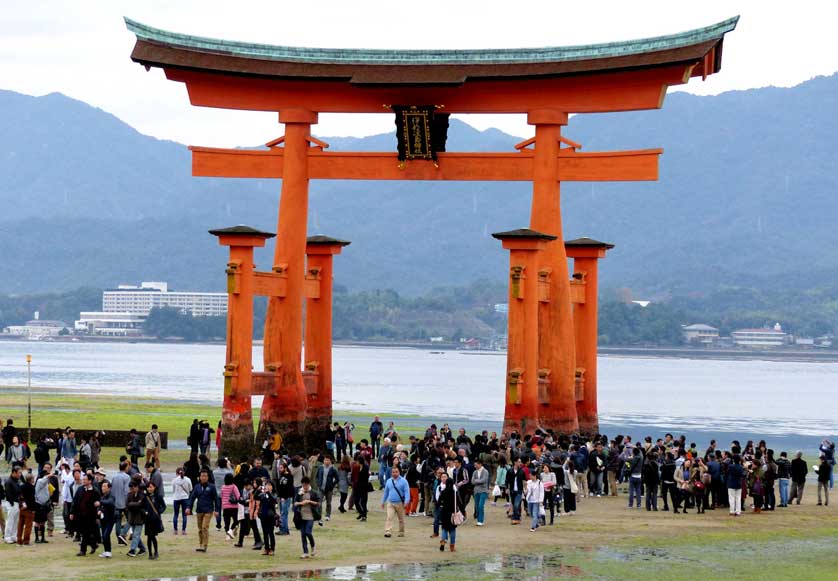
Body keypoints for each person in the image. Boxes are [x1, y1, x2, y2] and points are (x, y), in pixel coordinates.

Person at [186, 469, 219, 552]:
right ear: (199, 477)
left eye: (205, 476)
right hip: (199, 510)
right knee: (200, 529)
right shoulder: (197, 487)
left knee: (205, 527)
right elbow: (192, 498)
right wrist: (189, 507)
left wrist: (217, 509)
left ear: (208, 477)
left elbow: (216, 499)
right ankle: (201, 544)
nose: (203, 477)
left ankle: (205, 545)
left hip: (208, 510)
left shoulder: (212, 487)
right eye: (202, 476)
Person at [70, 473, 101, 556]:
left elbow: (98, 504)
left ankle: (83, 551)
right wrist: (72, 512)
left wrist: (97, 516)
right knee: (83, 532)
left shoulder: (95, 491)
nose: (83, 481)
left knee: (85, 533)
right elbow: (75, 501)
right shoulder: (80, 489)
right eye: (83, 479)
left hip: (90, 516)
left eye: (85, 480)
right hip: (80, 515)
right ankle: (94, 544)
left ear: (90, 481)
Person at [294, 476, 320, 559]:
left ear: (309, 484)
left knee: (308, 532)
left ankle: (313, 546)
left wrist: (309, 501)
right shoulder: (299, 493)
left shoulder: (313, 493)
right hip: (301, 516)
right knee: (303, 534)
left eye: (306, 485)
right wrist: (300, 503)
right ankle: (305, 552)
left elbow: (318, 503)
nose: (304, 487)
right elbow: (295, 503)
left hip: (310, 516)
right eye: (303, 485)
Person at [381, 466, 409, 538]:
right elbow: (386, 493)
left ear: (399, 472)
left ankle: (401, 532)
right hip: (390, 503)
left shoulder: (404, 481)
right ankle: (388, 531)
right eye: (393, 472)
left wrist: (406, 501)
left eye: (396, 472)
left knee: (401, 519)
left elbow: (407, 492)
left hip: (400, 503)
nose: (394, 473)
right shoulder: (388, 481)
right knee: (389, 517)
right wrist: (383, 502)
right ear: (391, 473)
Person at [435, 471, 460, 552]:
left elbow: (438, 502)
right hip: (453, 512)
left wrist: (438, 508)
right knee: (452, 529)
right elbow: (459, 502)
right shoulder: (454, 493)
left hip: (444, 512)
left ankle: (443, 541)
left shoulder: (443, 492)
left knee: (444, 528)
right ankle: (452, 546)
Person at [143, 480, 165, 560]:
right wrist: (145, 511)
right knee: (149, 537)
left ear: (154, 487)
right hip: (148, 520)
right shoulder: (145, 497)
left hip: (155, 520)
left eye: (151, 487)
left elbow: (163, 506)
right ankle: (150, 553)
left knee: (152, 536)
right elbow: (142, 506)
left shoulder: (158, 496)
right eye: (148, 487)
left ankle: (156, 552)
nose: (149, 489)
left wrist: (159, 512)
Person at [111, 461, 132, 545]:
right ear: (126, 467)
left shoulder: (114, 477)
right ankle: (123, 533)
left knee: (118, 521)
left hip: (115, 502)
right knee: (131, 519)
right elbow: (126, 491)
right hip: (124, 502)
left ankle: (119, 538)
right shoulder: (127, 477)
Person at [125, 480, 147, 557]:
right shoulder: (129, 495)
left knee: (136, 535)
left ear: (137, 487)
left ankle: (132, 550)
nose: (131, 490)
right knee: (136, 535)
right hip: (132, 517)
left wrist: (132, 505)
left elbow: (141, 504)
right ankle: (143, 549)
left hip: (140, 518)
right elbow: (127, 505)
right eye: (130, 489)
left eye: (132, 488)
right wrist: (135, 505)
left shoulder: (142, 495)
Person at [315, 455, 339, 522]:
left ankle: (327, 515)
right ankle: (319, 516)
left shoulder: (333, 469)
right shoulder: (320, 468)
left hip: (329, 489)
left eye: (327, 460)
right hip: (320, 488)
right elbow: (316, 476)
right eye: (325, 460)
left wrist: (332, 485)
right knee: (319, 502)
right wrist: (318, 483)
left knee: (328, 503)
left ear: (330, 461)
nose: (326, 461)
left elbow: (337, 479)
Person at [257, 480, 277, 556]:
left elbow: (274, 501)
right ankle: (266, 548)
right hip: (263, 515)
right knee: (265, 533)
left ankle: (272, 549)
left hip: (271, 516)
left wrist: (268, 492)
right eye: (266, 485)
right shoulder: (263, 494)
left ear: (272, 487)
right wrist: (257, 490)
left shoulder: (274, 494)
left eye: (269, 485)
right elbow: (256, 497)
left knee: (270, 532)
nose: (267, 486)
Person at [171, 467, 192, 535]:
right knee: (184, 515)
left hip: (176, 498)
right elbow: (190, 488)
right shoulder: (188, 479)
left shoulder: (174, 480)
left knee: (176, 514)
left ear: (176, 473)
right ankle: (183, 530)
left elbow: (173, 490)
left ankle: (175, 530)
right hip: (185, 498)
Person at [4, 465, 22, 543]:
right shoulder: (8, 481)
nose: (20, 474)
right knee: (10, 520)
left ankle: (13, 536)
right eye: (19, 473)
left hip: (17, 503)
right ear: (14, 472)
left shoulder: (16, 481)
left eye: (20, 473)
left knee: (16, 520)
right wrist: (12, 503)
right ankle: (7, 537)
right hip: (11, 503)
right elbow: (8, 494)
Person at [97, 480, 115, 558]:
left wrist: (100, 502)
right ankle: (107, 551)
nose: (102, 488)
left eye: (104, 486)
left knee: (106, 535)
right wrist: (99, 510)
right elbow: (99, 507)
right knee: (104, 535)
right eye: (102, 486)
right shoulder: (102, 496)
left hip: (110, 519)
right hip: (103, 519)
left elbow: (110, 503)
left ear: (109, 488)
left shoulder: (112, 496)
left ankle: (108, 551)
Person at [17, 473, 36, 545]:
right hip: (29, 509)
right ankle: (26, 541)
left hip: (22, 508)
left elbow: (19, 497)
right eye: (33, 478)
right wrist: (33, 509)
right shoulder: (31, 487)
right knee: (28, 526)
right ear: (31, 479)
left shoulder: (21, 486)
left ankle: (19, 540)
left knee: (20, 525)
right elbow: (32, 499)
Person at [506, 458, 527, 524]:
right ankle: (518, 516)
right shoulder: (509, 471)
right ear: (515, 462)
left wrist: (525, 489)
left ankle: (515, 518)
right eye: (519, 462)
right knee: (515, 504)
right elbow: (507, 481)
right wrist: (507, 488)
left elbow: (524, 481)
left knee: (516, 504)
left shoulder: (522, 471)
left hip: (519, 490)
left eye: (520, 462)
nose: (520, 463)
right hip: (512, 490)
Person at [220, 473, 240, 538]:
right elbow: (238, 496)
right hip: (234, 506)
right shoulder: (234, 486)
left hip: (225, 507)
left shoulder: (223, 487)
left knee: (227, 522)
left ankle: (227, 535)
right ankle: (231, 530)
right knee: (236, 521)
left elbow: (222, 496)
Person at [471, 458, 490, 526]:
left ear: (480, 464)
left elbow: (484, 480)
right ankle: (478, 519)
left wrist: (476, 481)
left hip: (483, 490)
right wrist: (478, 481)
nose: (475, 466)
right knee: (476, 506)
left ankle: (480, 520)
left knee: (480, 505)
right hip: (476, 491)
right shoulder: (475, 472)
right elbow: (472, 481)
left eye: (476, 465)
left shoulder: (485, 471)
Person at [354, 455, 370, 521]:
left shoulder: (366, 467)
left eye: (357, 461)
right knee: (356, 501)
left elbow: (366, 476)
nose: (356, 462)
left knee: (363, 501)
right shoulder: (356, 467)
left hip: (364, 486)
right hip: (357, 486)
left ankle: (364, 516)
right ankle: (361, 512)